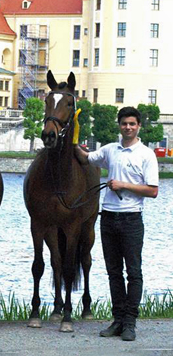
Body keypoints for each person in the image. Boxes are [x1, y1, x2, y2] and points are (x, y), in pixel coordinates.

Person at [74, 106, 158, 342]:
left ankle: (130, 323)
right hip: (108, 217)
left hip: (131, 218)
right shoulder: (110, 150)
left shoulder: (146, 154)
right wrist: (72, 140)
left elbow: (153, 191)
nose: (128, 127)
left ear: (138, 126)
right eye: (124, 124)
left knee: (133, 273)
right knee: (113, 273)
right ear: (119, 125)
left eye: (132, 124)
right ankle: (118, 320)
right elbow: (86, 157)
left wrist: (123, 185)